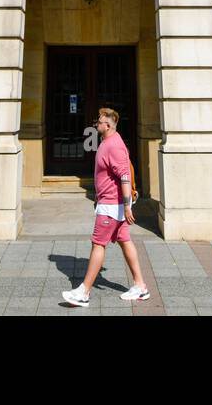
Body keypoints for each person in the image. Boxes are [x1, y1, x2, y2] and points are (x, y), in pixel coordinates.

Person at [62, 108, 151, 306]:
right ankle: (140, 286)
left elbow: (125, 177)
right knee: (125, 241)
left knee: (98, 244)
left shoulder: (114, 146)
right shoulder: (107, 142)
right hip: (109, 203)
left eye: (100, 122)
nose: (96, 124)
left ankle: (84, 292)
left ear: (108, 125)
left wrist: (127, 206)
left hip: (112, 206)